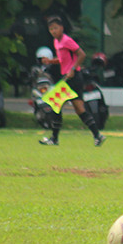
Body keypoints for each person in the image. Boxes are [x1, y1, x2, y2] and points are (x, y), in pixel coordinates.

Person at [39, 15, 105, 147]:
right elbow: (63, 59)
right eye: (51, 29)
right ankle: (98, 136)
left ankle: (54, 138)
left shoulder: (66, 40)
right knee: (80, 110)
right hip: (71, 78)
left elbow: (82, 54)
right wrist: (50, 61)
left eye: (56, 28)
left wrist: (74, 68)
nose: (53, 31)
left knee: (55, 104)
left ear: (62, 28)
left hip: (73, 78)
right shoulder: (57, 42)